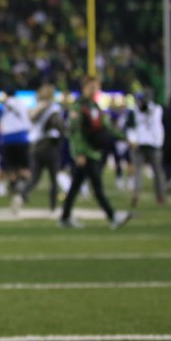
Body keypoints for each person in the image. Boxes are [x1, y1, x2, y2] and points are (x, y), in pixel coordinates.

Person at [58, 77, 131, 230]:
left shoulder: (95, 106)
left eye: (96, 87)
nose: (94, 90)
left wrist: (125, 138)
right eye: (91, 87)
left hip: (94, 152)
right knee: (97, 187)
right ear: (84, 87)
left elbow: (107, 127)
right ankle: (113, 216)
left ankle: (65, 217)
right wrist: (79, 153)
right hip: (86, 154)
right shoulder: (78, 107)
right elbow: (75, 132)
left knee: (75, 187)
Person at [22, 84, 65, 212]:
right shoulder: (53, 109)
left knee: (35, 177)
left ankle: (22, 194)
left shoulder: (34, 109)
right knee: (53, 178)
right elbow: (59, 127)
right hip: (49, 146)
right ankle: (53, 206)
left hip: (35, 146)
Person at [126, 89, 166, 207]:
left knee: (154, 171)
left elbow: (147, 111)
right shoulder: (140, 111)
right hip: (145, 144)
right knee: (151, 171)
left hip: (150, 143)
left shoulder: (155, 110)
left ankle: (158, 196)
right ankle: (141, 195)